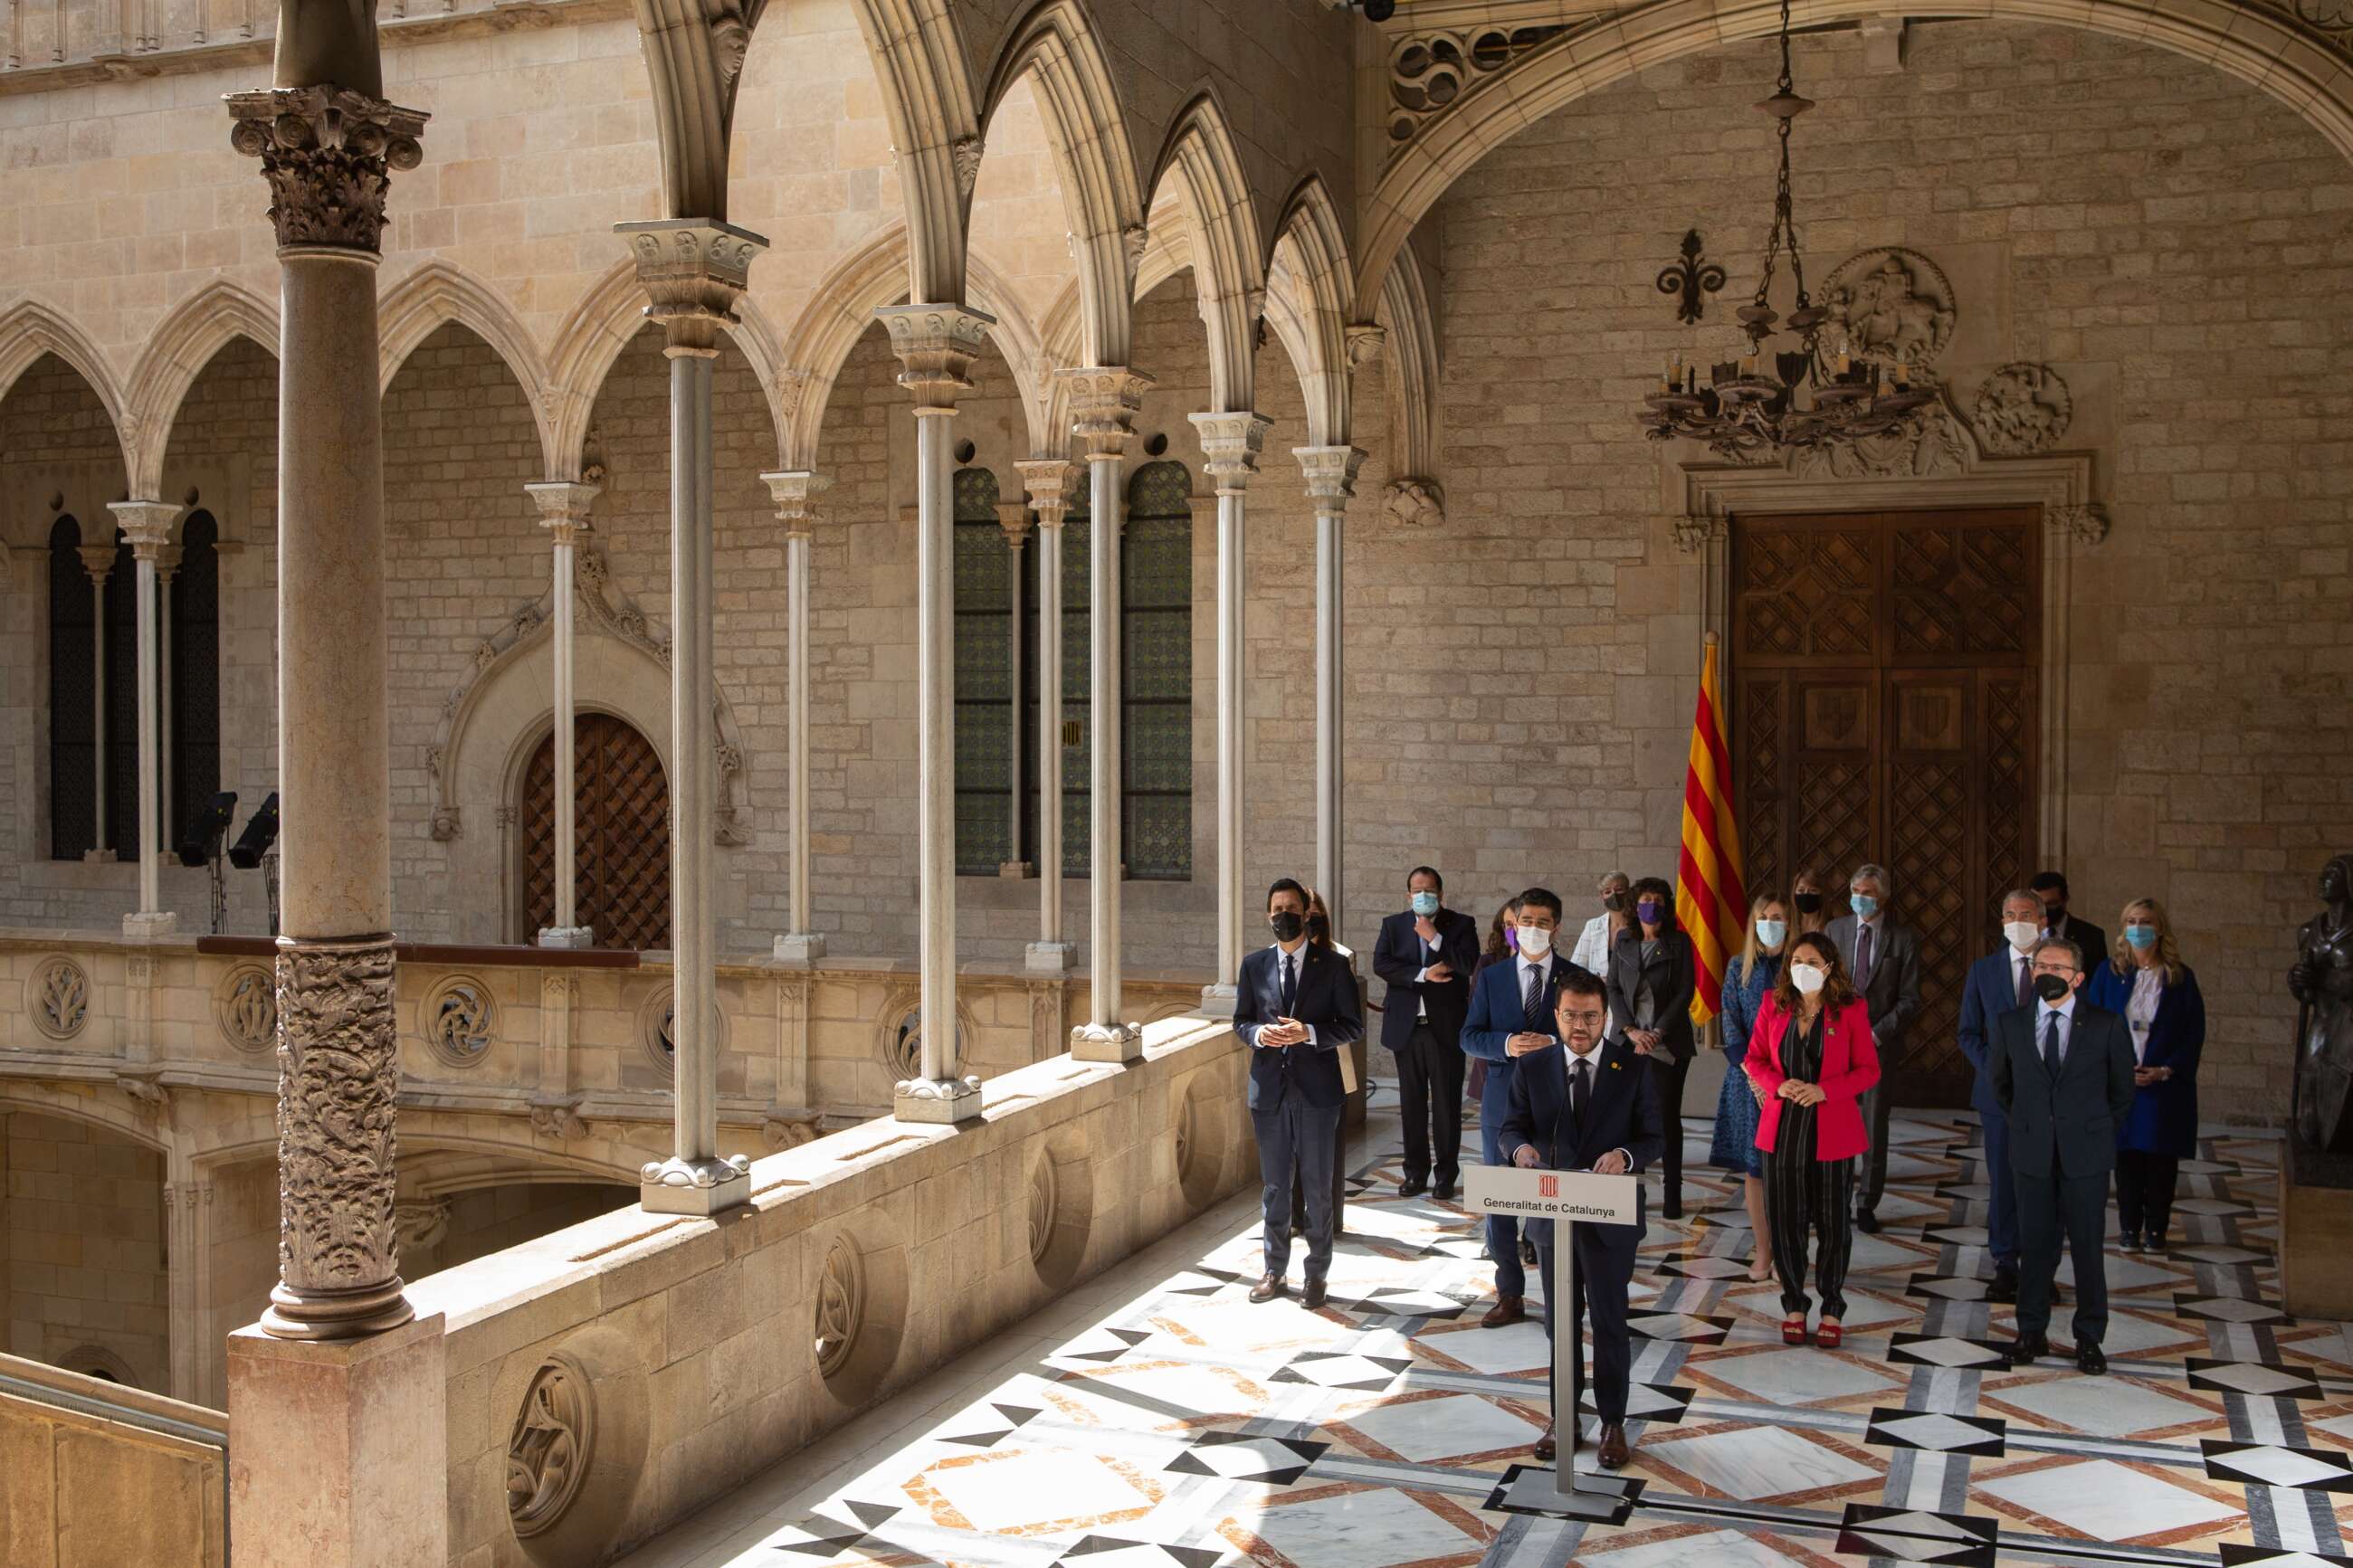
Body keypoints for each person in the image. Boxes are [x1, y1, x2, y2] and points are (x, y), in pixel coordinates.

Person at [1498, 967, 1662, 1471]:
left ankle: (1613, 1422)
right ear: (1556, 1014)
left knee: (1611, 1322)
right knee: (1560, 1325)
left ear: (1605, 1018)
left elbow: (1654, 1137)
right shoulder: (1535, 1066)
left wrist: (1626, 1157)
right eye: (1570, 1016)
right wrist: (1520, 1149)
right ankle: (1563, 1418)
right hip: (1553, 1217)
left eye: (1591, 1017)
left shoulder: (1630, 1068)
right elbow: (1510, 1128)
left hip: (1609, 1220)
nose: (1580, 1026)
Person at [1989, 937, 2136, 1373]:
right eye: (2041, 965)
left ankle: (2089, 1337)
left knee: (2088, 1248)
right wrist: (2031, 1124)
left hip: (2085, 1155)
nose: (2047, 973)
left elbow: (2122, 1092)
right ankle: (2030, 1330)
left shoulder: (2106, 1025)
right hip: (2031, 1152)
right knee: (2034, 1247)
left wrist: (2093, 1129)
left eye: (2058, 966)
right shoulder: (2010, 1024)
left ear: (2078, 977)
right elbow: (2003, 1086)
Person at [1233, 878, 1363, 1307]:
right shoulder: (1254, 965)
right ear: (1267, 915)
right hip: (1269, 1091)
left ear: (1306, 913)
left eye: (1291, 907)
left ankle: (1317, 1275)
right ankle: (1274, 1270)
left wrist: (1308, 1033)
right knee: (1274, 1186)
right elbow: (1241, 1021)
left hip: (1317, 1094)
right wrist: (1259, 1034)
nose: (1283, 915)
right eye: (1276, 909)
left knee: (1318, 1186)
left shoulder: (1334, 965)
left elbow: (1353, 1026)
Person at [1748, 932, 1880, 1347]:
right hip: (1782, 1127)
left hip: (1831, 1130)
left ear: (1829, 967)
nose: (1802, 967)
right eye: (1796, 960)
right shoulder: (1774, 1003)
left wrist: (1827, 1090)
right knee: (1785, 1220)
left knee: (1832, 1222)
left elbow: (1868, 1070)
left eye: (1811, 961)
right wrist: (1778, 1084)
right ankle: (1793, 1304)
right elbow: (1753, 1058)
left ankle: (1831, 1307)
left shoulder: (1851, 1009)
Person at [1461, 889, 1573, 1327]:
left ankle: (1557, 1294)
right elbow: (1469, 1035)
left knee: (1551, 1199)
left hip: (1556, 1102)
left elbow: (1591, 1036)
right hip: (1501, 1102)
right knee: (1501, 1202)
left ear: (1557, 928)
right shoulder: (1492, 975)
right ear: (1514, 924)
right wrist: (1507, 1044)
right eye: (1526, 920)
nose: (1533, 928)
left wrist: (1553, 1043)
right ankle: (1509, 1293)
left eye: (1543, 922)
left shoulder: (1573, 976)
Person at [2089, 898, 2205, 1252]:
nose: (2139, 927)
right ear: (2124, 928)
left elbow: (2193, 1032)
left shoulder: (2180, 977)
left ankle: (2157, 1229)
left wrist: (2165, 1069)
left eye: (2146, 921)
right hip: (2122, 1085)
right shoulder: (2109, 973)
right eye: (2132, 921)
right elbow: (2092, 1024)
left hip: (2164, 1085)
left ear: (2160, 928)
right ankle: (2128, 1228)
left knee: (2159, 1158)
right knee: (2126, 1159)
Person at [1958, 889, 2044, 1301]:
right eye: (2009, 914)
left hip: (2049, 1096)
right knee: (2005, 1182)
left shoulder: (2059, 963)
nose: (2016, 921)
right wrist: (1996, 1069)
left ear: (2042, 921)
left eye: (2024, 914)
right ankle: (2006, 1263)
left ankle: (2042, 1265)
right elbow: (1969, 1032)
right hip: (1999, 1096)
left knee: (2047, 1183)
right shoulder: (1984, 970)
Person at [1373, 867, 1481, 1200]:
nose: (1423, 895)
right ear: (1408, 895)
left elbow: (1466, 964)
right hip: (1407, 1029)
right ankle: (1415, 1173)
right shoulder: (1393, 925)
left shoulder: (1461, 925)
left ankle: (1446, 1175)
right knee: (1412, 1105)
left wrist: (1434, 937)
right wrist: (1422, 974)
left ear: (1441, 893)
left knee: (1447, 1105)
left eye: (1430, 889)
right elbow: (1382, 965)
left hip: (1444, 1029)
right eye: (1417, 890)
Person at [1826, 864, 1920, 1233]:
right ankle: (1836, 1198)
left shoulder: (1902, 939)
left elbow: (1910, 999)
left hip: (1878, 1045)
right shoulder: (1836, 930)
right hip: (1837, 1045)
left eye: (1867, 892)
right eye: (1855, 891)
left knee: (1872, 1127)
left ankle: (1867, 1203)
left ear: (1882, 897)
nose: (1860, 898)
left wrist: (1875, 1034)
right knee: (1836, 1125)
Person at [1605, 877, 1696, 1220]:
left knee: (1667, 1118)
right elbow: (1613, 987)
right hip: (1628, 1042)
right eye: (1645, 899)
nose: (1651, 905)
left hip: (1666, 1043)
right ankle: (1632, 1190)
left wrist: (1656, 1032)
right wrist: (1629, 1029)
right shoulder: (1624, 940)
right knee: (1625, 1118)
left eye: (1658, 899)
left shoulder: (1679, 943)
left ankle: (1673, 1192)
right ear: (1634, 904)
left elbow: (1685, 992)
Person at [1713, 894, 1787, 1281]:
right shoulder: (1739, 966)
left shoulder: (1798, 966)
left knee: (1789, 1171)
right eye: (1764, 917)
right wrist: (1755, 1076)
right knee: (1756, 1173)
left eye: (1777, 917)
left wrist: (1778, 1078)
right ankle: (1762, 1251)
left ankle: (1789, 1253)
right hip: (1747, 1083)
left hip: (1791, 1082)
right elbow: (1731, 1025)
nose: (1771, 923)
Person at [1465, 898, 1520, 1109]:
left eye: (1518, 923)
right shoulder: (1488, 964)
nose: (1513, 930)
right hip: (1495, 1056)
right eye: (1508, 924)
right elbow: (1475, 1009)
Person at [1570, 870, 1634, 1032]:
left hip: (1632, 1005)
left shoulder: (1640, 926)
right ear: (1602, 896)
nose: (1614, 895)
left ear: (1629, 891)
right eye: (1608, 892)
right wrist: (1595, 981)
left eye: (1619, 890)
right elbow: (1575, 968)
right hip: (1599, 1003)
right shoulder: (1593, 926)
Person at [2031, 871, 2108, 973]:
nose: (2044, 910)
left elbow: (2097, 981)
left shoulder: (2092, 936)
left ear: (2065, 899)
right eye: (2039, 904)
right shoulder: (2020, 932)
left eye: (2051, 904)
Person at [1791, 867, 1832, 937]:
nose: (1806, 894)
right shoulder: (1788, 924)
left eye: (1813, 890)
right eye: (1801, 890)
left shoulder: (1832, 926)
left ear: (1822, 895)